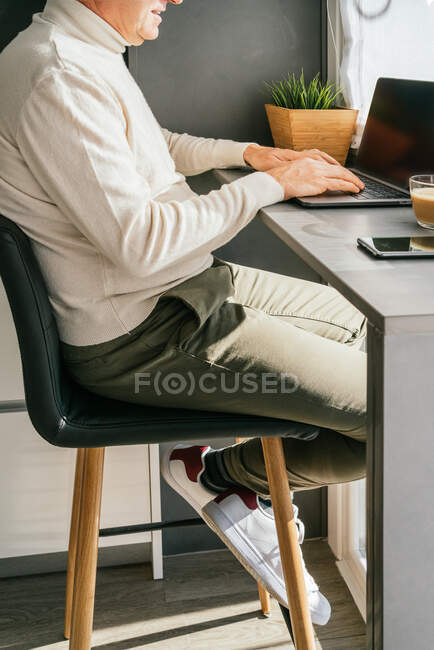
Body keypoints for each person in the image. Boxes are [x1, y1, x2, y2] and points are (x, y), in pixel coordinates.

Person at [0, 0, 367, 626]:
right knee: (410, 411)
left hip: (190, 288)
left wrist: (254, 155)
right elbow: (140, 245)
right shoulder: (56, 73)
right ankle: (226, 476)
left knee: (372, 331)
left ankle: (227, 481)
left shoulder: (80, 49)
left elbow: (152, 147)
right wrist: (274, 187)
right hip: (144, 337)